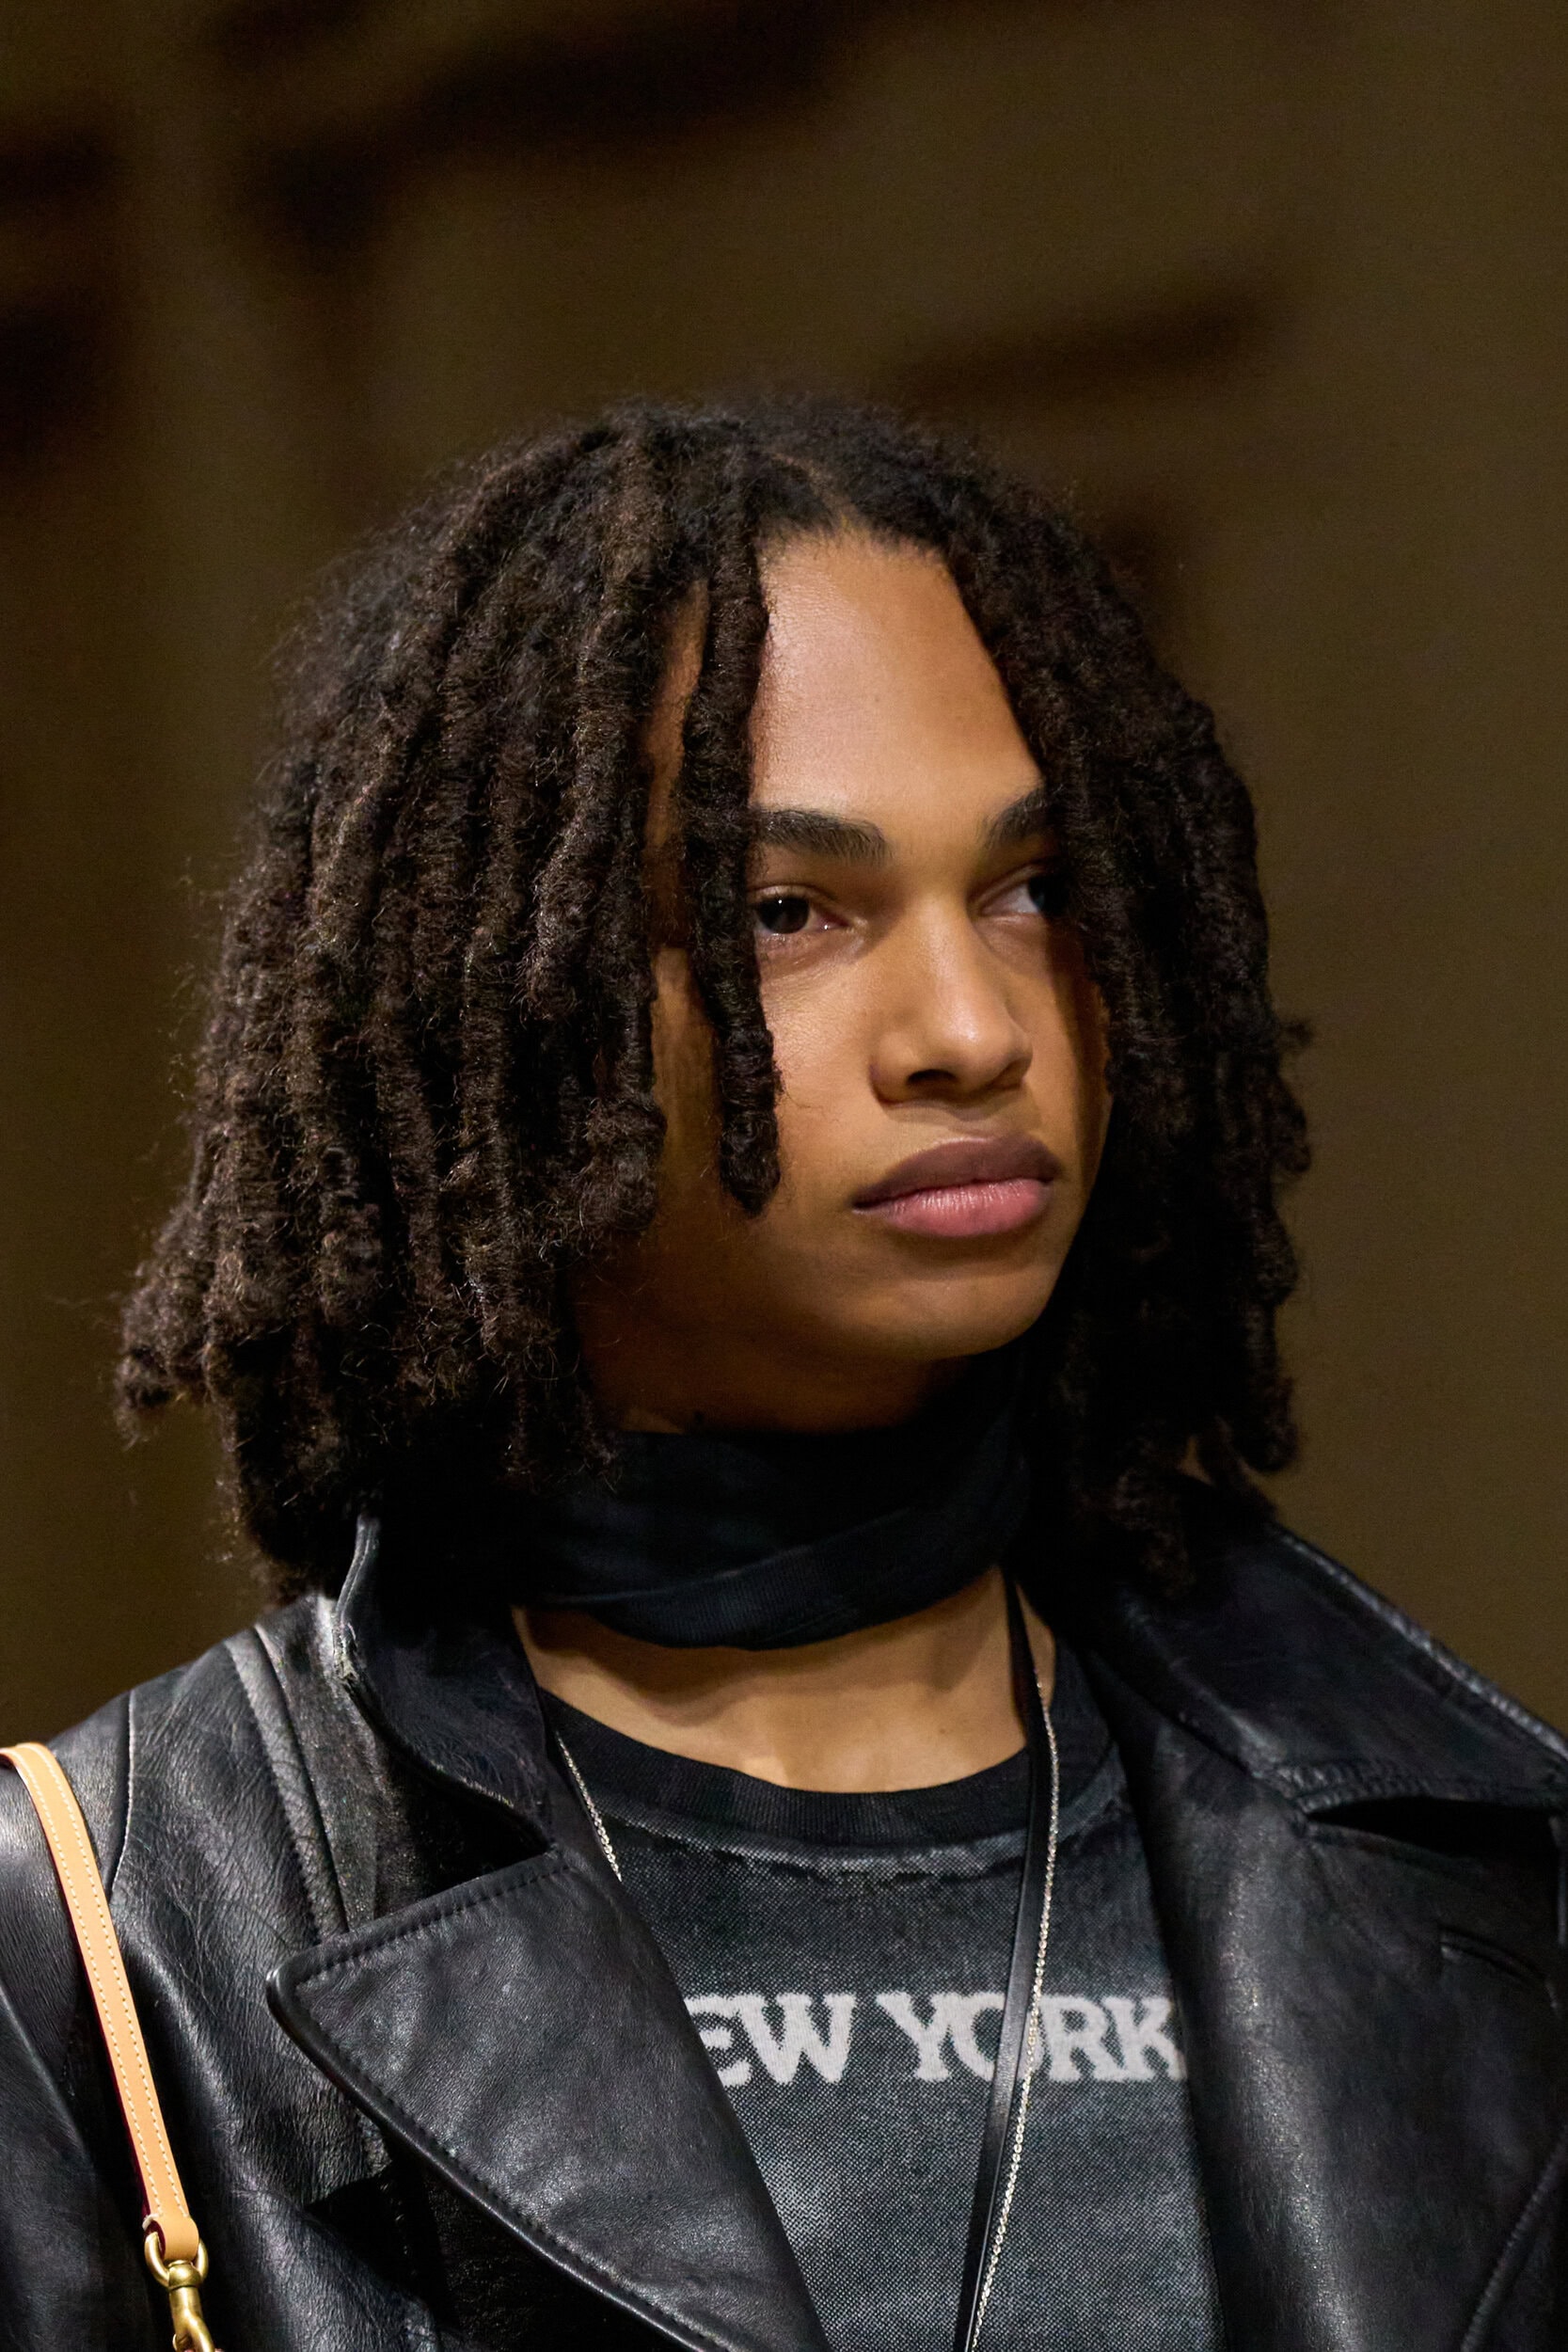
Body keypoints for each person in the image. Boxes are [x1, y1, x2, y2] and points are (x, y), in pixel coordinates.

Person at [2, 399, 1563, 2352]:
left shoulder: (1485, 1863)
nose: (971, 1027)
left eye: (1033, 887)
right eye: (786, 913)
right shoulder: (111, 1933)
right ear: (508, 1005)